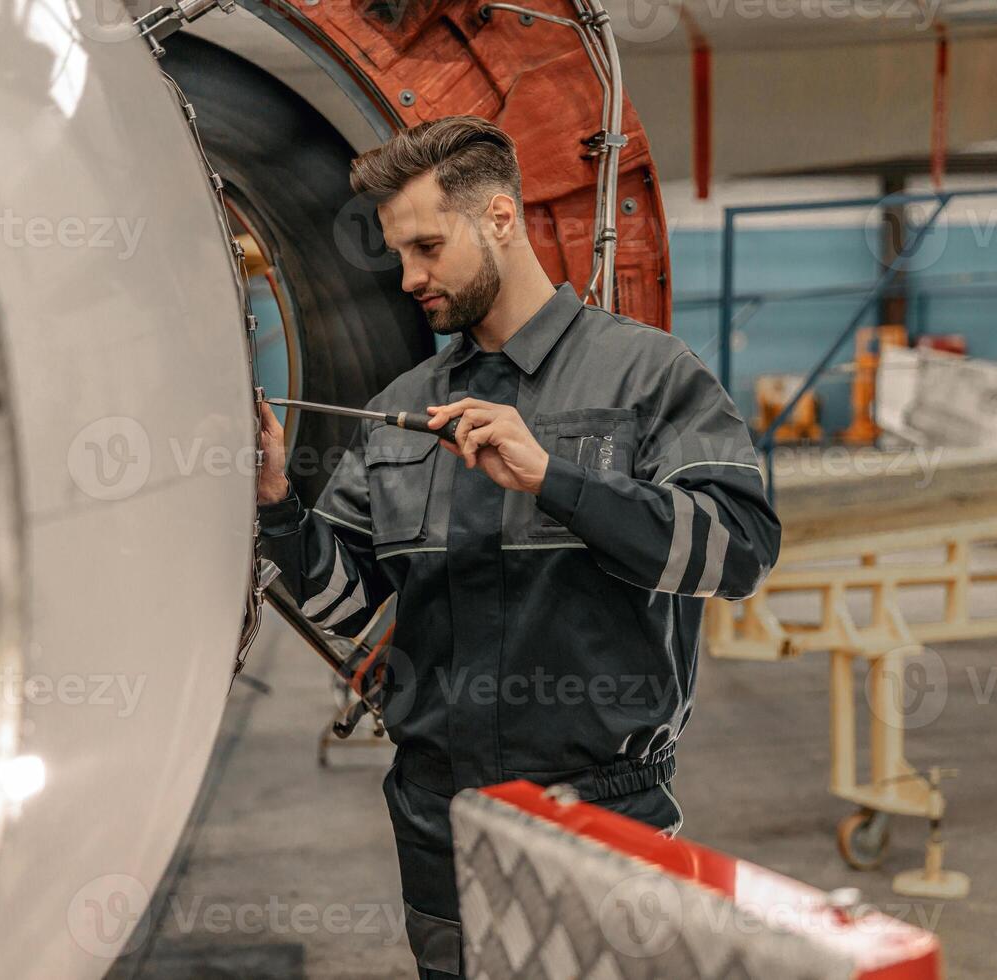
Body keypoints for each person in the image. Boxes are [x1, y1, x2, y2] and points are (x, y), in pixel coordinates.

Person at [254, 115, 780, 978]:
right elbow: (353, 604)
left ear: (501, 217)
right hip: (436, 820)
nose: (410, 277)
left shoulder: (647, 377)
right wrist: (279, 506)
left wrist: (558, 481)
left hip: (602, 817)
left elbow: (740, 552)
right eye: (398, 254)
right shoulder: (405, 409)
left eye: (427, 246)